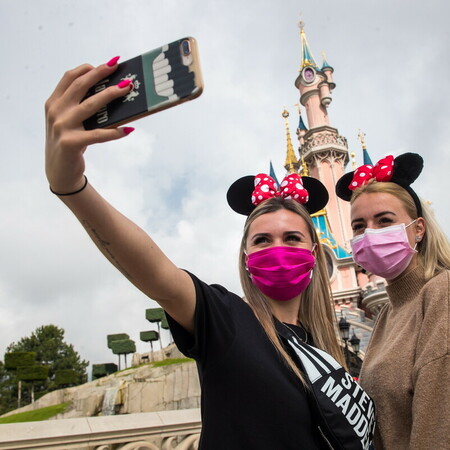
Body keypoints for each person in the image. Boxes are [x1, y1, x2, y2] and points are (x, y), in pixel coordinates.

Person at [45, 58, 374, 449]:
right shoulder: (228, 322)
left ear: (316, 254)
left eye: (292, 238)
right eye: (262, 240)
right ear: (245, 258)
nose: (278, 249)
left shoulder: (323, 350)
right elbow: (156, 273)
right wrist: (72, 187)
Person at [336, 153, 450, 450]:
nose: (370, 233)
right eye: (359, 226)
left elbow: (438, 424)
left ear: (418, 229)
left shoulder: (442, 293)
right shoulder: (388, 313)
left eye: (384, 220)